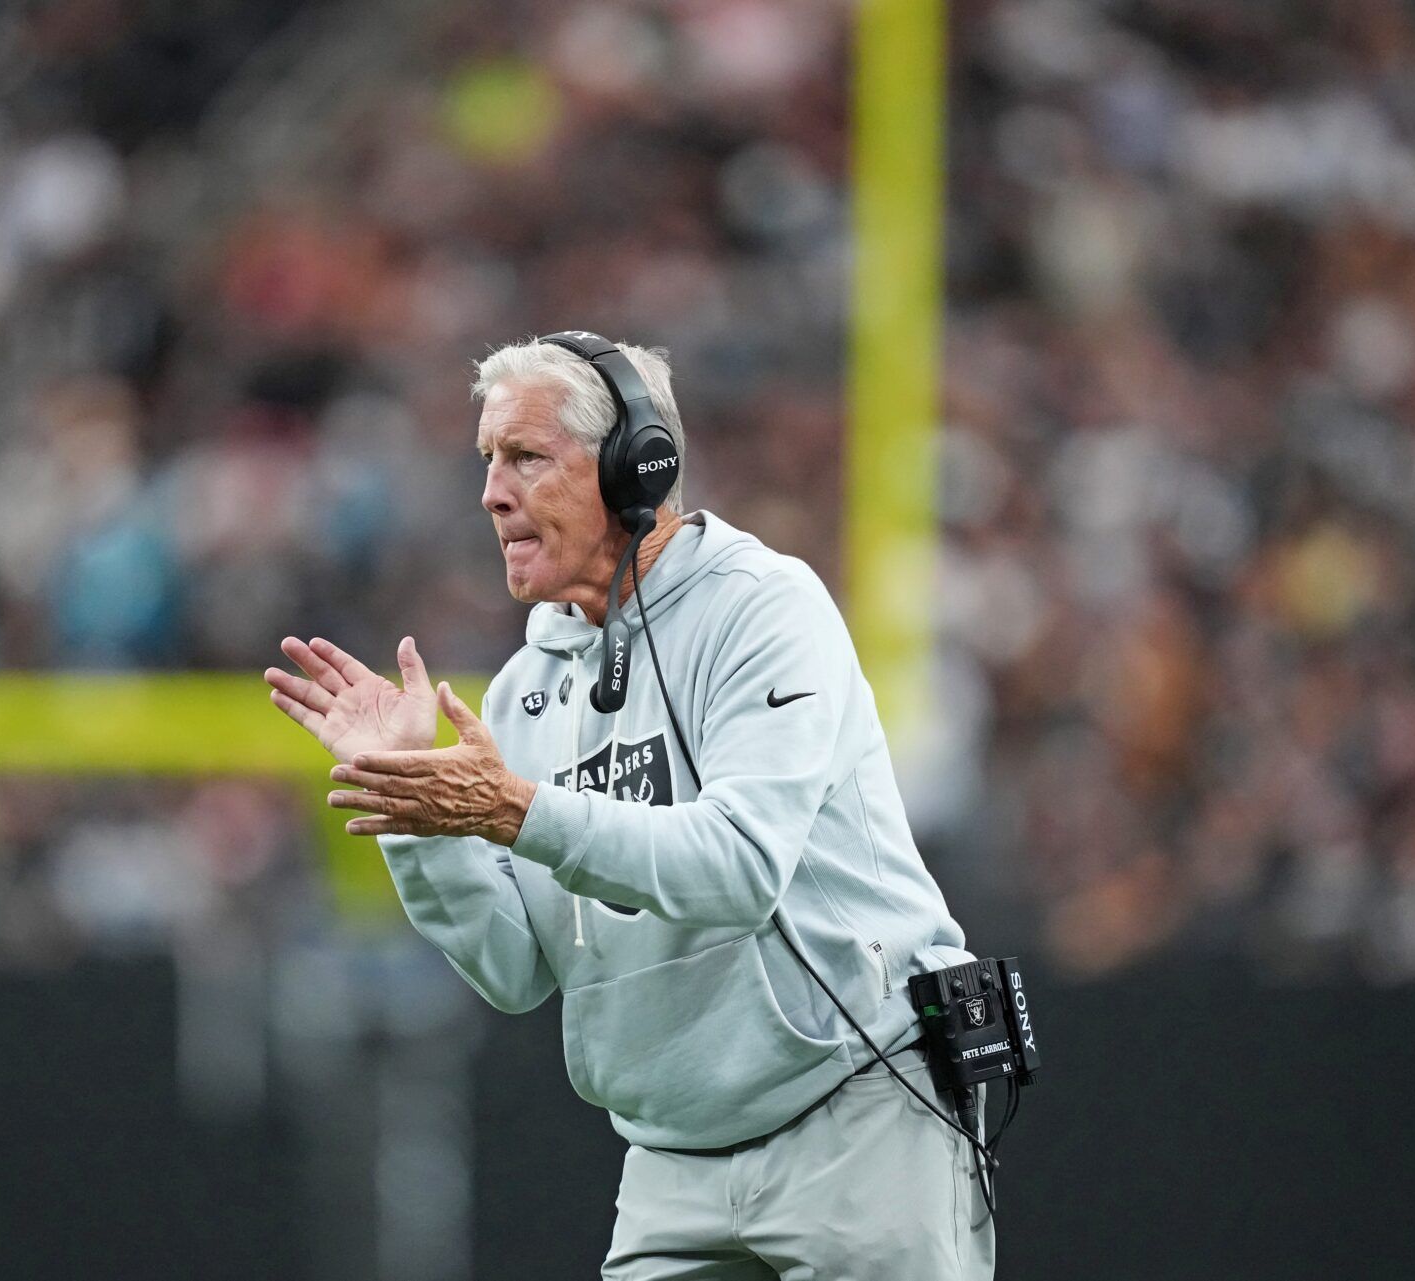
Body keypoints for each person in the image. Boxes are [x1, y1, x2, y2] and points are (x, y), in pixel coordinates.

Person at [264, 336, 995, 1279]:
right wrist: (417, 805)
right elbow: (513, 968)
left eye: (525, 456)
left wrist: (516, 812)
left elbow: (736, 869)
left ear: (635, 465)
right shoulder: (524, 689)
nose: (491, 492)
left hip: (856, 1115)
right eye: (486, 460)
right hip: (671, 1163)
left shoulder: (764, 609)